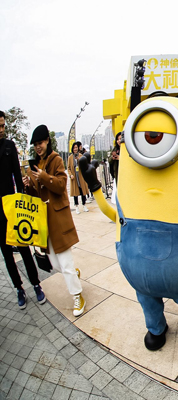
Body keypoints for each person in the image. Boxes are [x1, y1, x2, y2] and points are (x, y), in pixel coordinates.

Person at [24, 125, 85, 317]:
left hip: (58, 218)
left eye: (40, 143)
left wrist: (44, 177)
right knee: (55, 264)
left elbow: (60, 185)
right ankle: (73, 273)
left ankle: (78, 296)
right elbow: (36, 194)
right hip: (45, 221)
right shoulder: (36, 165)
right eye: (35, 144)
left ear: (47, 141)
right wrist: (29, 186)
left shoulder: (56, 160)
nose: (38, 147)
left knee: (65, 263)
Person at [0, 110, 45, 309]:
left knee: (24, 247)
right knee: (7, 254)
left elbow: (18, 177)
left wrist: (22, 199)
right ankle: (19, 288)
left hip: (13, 207)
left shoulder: (9, 146)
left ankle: (36, 284)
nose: (1, 129)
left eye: (3, 125)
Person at [67, 142, 90, 214]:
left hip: (80, 176)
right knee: (75, 193)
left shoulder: (81, 156)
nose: (75, 149)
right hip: (74, 177)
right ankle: (76, 207)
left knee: (83, 191)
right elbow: (68, 168)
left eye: (76, 147)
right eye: (74, 148)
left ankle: (84, 205)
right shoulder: (70, 157)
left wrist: (78, 159)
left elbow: (84, 165)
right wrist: (70, 175)